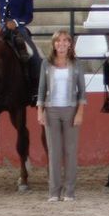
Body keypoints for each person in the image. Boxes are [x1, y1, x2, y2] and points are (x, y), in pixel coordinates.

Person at [35, 30, 87, 202]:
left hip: (71, 110)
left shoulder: (77, 64)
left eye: (65, 41)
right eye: (58, 41)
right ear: (54, 44)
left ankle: (70, 191)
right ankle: (54, 192)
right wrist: (40, 110)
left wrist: (80, 112)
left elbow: (82, 92)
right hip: (51, 111)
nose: (62, 44)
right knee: (54, 152)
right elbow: (41, 90)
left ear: (70, 44)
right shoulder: (46, 63)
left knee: (71, 152)